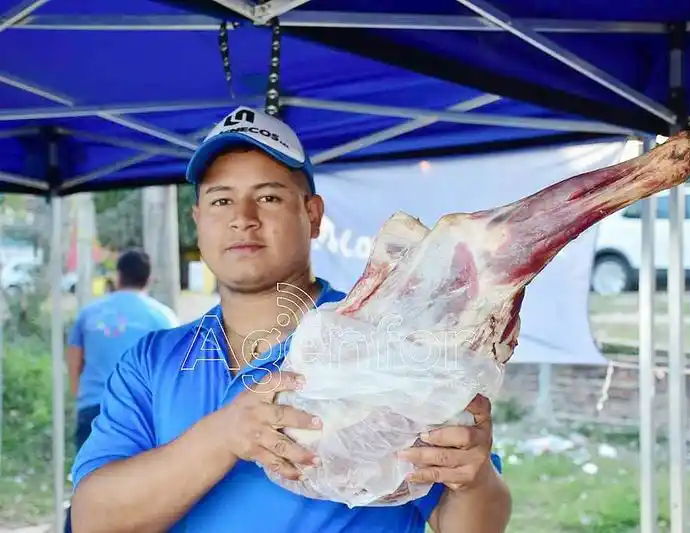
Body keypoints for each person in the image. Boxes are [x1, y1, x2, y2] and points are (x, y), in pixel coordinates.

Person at [69, 106, 513, 533]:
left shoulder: (388, 336)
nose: (243, 219)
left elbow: (469, 519)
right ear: (198, 220)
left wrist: (473, 481)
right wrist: (225, 435)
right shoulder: (152, 361)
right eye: (221, 200)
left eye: (268, 197)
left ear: (312, 215)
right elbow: (92, 520)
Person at [66, 248, 180, 452]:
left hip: (95, 410)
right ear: (148, 279)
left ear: (118, 276)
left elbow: (74, 364)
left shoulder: (89, 314)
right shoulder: (164, 318)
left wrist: (81, 398)